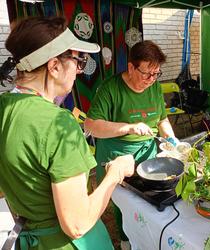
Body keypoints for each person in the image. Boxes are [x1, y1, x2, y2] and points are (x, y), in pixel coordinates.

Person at [0, 16, 135, 250]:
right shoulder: (57, 124)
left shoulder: (5, 106)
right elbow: (77, 224)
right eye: (78, 60)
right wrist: (116, 172)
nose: (79, 70)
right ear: (54, 66)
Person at [84, 40, 178, 249]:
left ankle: (148, 238)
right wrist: (128, 127)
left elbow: (162, 119)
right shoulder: (110, 88)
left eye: (156, 74)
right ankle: (126, 241)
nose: (151, 80)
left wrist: (172, 140)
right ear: (130, 67)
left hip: (149, 152)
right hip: (117, 153)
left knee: (149, 198)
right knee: (123, 203)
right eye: (146, 73)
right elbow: (91, 125)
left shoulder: (153, 87)